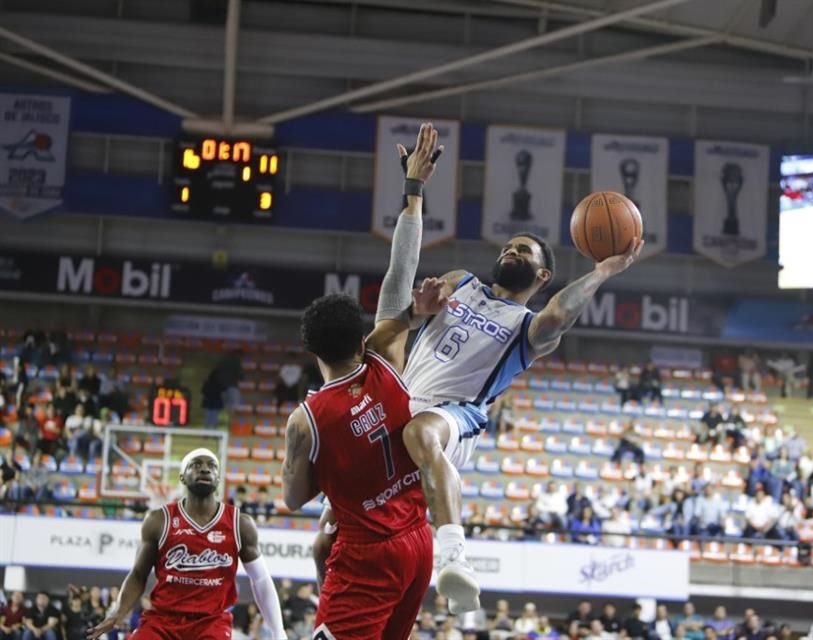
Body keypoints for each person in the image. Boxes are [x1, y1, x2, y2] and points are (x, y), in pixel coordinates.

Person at [314, 185, 645, 614]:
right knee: (325, 541)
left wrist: (603, 270)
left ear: (543, 275)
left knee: (422, 432)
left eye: (523, 251)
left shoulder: (527, 329)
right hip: (399, 407)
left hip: (456, 414)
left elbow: (559, 317)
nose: (510, 252)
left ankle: (454, 556)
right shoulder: (460, 282)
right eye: (508, 247)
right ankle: (332, 617)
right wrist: (417, 311)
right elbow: (402, 318)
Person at [281, 123, 442, 639]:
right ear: (362, 337)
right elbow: (403, 264)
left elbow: (293, 498)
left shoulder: (305, 421)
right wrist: (413, 189)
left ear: (310, 349)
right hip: (418, 540)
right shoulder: (387, 352)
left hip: (367, 554)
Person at [86, 448, 286, 640]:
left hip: (211, 622)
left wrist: (278, 631)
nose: (205, 469)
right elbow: (138, 574)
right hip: (162, 620)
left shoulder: (239, 523)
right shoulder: (158, 520)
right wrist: (117, 611)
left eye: (211, 466)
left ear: (218, 478)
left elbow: (260, 580)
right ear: (182, 477)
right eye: (196, 464)